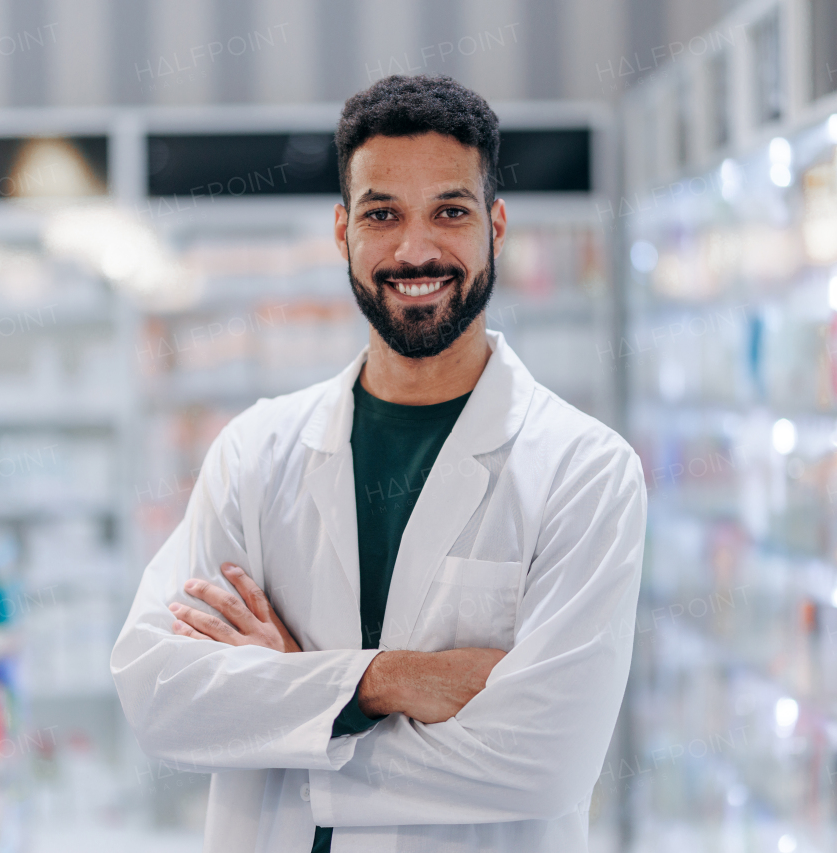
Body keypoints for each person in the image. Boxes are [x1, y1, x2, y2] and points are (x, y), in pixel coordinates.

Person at [111, 74, 646, 853]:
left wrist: (292, 711)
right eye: (382, 214)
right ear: (342, 232)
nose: (416, 248)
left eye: (450, 212)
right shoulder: (257, 452)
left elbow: (546, 758)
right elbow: (157, 693)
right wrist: (384, 680)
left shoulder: (585, 471)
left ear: (496, 225)